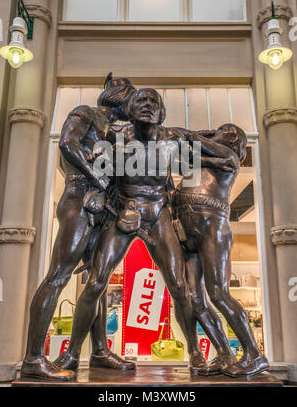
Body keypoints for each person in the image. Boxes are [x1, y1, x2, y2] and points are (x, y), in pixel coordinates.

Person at [54, 88, 242, 375]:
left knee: (180, 287)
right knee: (95, 282)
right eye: (141, 100)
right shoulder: (115, 139)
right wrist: (117, 212)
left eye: (154, 102)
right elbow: (103, 181)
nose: (147, 105)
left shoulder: (173, 137)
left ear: (161, 111)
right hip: (125, 212)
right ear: (130, 109)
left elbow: (214, 150)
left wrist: (224, 158)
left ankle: (194, 351)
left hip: (158, 215)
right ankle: (71, 355)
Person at [21, 74, 136, 380]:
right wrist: (95, 174)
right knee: (58, 276)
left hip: (100, 205)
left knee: (97, 281)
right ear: (122, 97)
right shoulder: (87, 112)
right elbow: (68, 144)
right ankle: (33, 358)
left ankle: (98, 351)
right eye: (133, 99)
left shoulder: (115, 131)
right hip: (80, 198)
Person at [172, 124, 269, 377]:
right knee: (194, 297)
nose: (217, 131)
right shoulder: (200, 164)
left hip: (212, 228)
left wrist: (192, 134)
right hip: (188, 232)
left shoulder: (229, 157)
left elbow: (191, 140)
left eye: (223, 130)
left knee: (218, 293)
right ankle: (224, 353)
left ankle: (254, 354)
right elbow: (185, 155)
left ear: (234, 139)